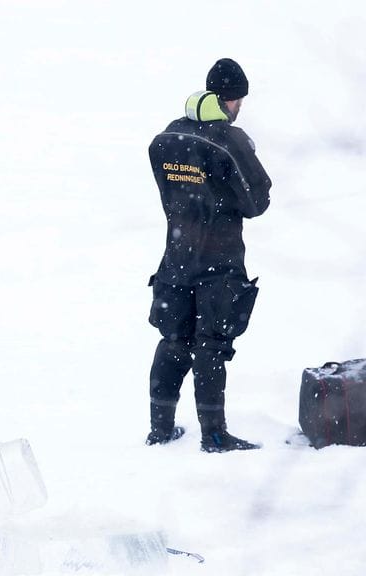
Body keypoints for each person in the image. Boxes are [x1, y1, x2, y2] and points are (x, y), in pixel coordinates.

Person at [145, 59, 272, 453]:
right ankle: (215, 436)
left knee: (173, 340)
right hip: (219, 261)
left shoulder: (168, 136)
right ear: (232, 100)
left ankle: (160, 429)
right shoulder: (229, 140)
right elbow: (257, 202)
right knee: (211, 346)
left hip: (176, 257)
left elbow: (171, 190)